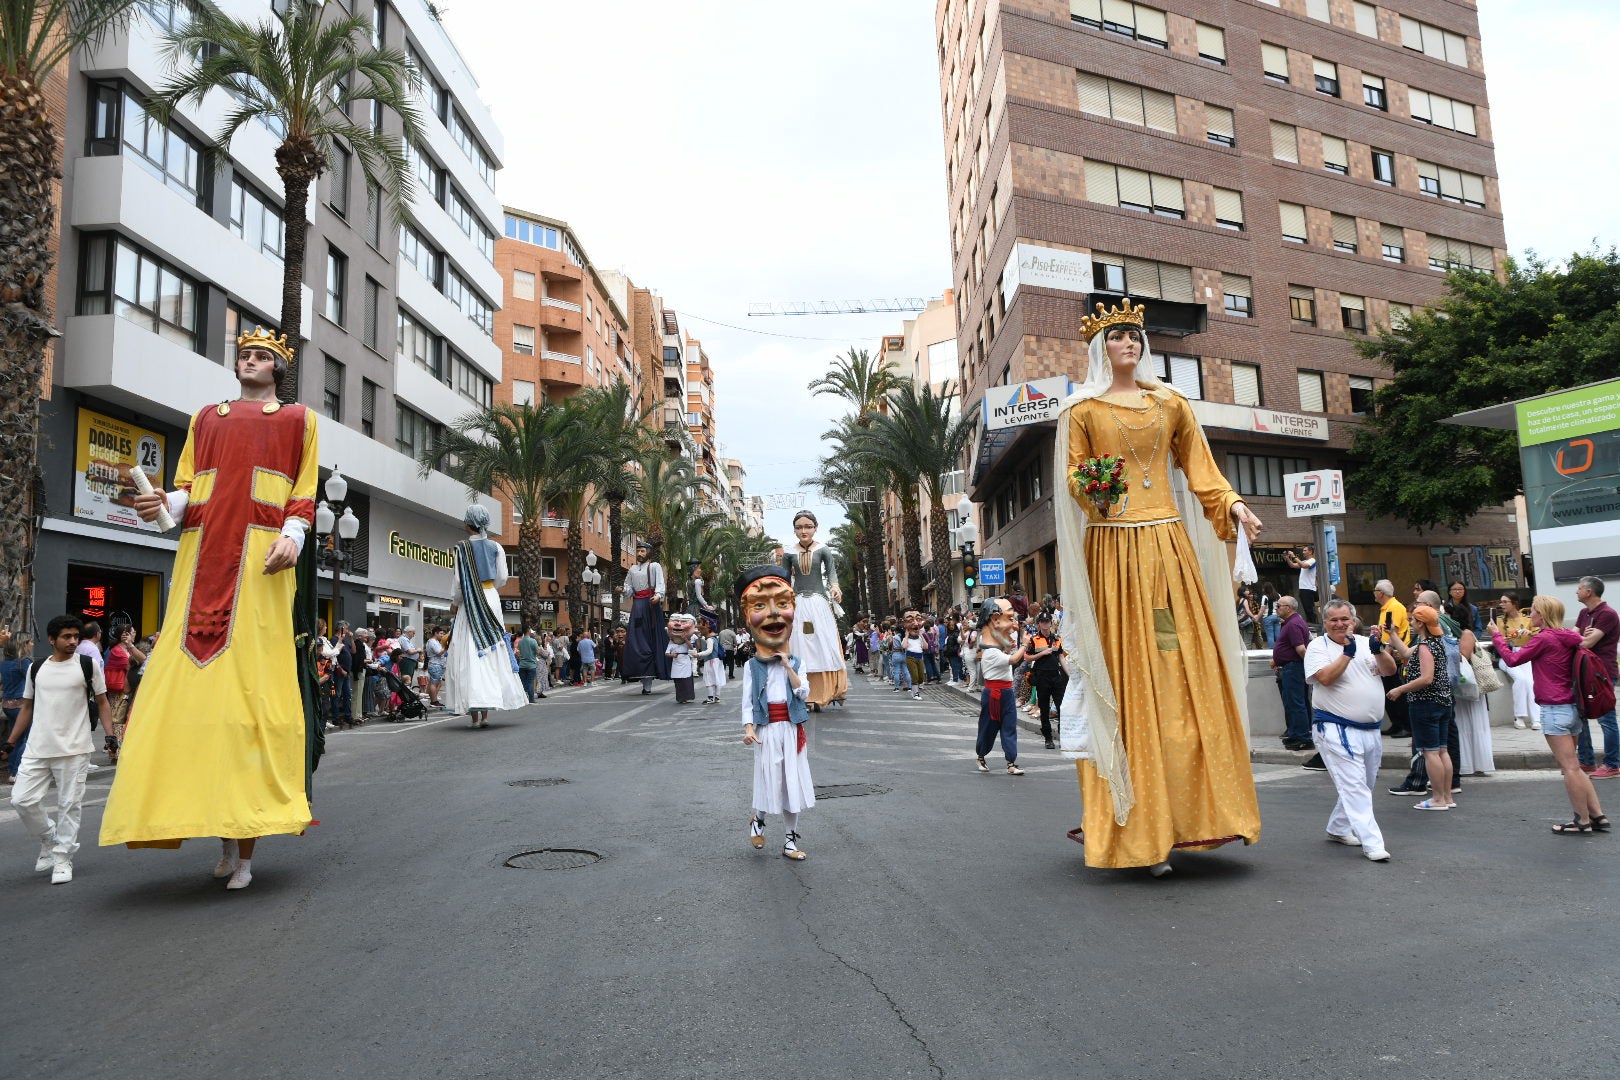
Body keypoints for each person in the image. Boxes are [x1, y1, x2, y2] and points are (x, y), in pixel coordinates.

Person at [100, 327, 318, 891]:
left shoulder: (298, 420)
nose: (250, 360)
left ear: (278, 368)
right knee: (199, 708)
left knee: (249, 703)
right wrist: (159, 503)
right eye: (244, 353)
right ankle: (223, 841)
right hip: (200, 561)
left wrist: (293, 534)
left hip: (259, 563)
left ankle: (245, 854)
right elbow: (187, 489)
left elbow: (302, 490)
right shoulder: (206, 417)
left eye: (262, 356)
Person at [1054, 299, 1263, 875]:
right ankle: (1139, 826)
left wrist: (1236, 505)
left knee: (1174, 658)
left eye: (1136, 336)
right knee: (1125, 673)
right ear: (1102, 348)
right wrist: (1096, 490)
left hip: (1167, 548)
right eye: (1119, 336)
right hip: (1113, 551)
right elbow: (1075, 477)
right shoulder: (1082, 410)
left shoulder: (1172, 403)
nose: (1130, 344)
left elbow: (1203, 469)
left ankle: (1192, 816)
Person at [5, 615, 115, 884]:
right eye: (66, 637)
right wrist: (10, 742)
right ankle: (49, 836)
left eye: (76, 636)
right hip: (37, 746)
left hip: (74, 748)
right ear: (52, 639)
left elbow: (102, 702)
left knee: (69, 805)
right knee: (21, 800)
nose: (73, 641)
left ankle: (63, 857)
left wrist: (110, 736)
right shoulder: (37, 668)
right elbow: (27, 706)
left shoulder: (87, 665)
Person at [1492, 595, 1606, 834]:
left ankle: (1581, 821)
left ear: (1542, 615)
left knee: (1570, 769)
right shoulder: (1570, 636)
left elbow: (1513, 659)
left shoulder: (1544, 638)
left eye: (1532, 612)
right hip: (1574, 708)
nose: (1529, 615)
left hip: (1554, 709)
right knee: (1574, 765)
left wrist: (1496, 637)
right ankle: (1597, 814)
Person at [1305, 599, 1398, 862]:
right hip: (1335, 727)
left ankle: (1338, 827)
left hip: (1370, 730)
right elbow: (1324, 678)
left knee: (1364, 785)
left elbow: (1389, 670)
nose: (1339, 624)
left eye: (1344, 619)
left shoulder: (1367, 643)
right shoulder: (1318, 646)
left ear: (1353, 620)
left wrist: (1379, 650)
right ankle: (1372, 843)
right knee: (1355, 787)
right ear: (1324, 623)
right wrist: (1347, 653)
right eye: (1333, 620)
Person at [738, 565, 815, 860]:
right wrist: (748, 728)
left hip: (793, 730)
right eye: (760, 605)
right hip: (767, 730)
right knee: (769, 780)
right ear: (748, 617)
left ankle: (790, 843)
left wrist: (787, 666)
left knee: (791, 785)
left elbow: (803, 692)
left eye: (782, 604)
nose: (773, 613)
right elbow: (747, 699)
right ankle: (757, 819)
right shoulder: (751, 666)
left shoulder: (796, 662)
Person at [444, 505, 527, 728]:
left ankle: (473, 714)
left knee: (469, 650)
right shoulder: (496, 546)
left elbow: (459, 583)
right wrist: (488, 586)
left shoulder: (460, 549)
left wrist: (455, 602)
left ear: (467, 523)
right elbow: (502, 577)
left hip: (470, 601)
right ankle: (486, 715)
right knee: (492, 647)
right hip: (490, 596)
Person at [1383, 602, 1457, 811]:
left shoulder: (1425, 647)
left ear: (1422, 623)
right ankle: (1447, 797)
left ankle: (1438, 799)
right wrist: (1392, 635)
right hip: (1442, 702)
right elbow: (1406, 654)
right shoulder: (1436, 642)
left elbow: (1426, 679)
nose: (1411, 623)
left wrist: (1400, 689)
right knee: (1442, 751)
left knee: (1430, 752)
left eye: (1413, 620)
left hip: (1426, 704)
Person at [780, 510, 848, 708]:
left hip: (819, 603)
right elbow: (784, 581)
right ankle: (804, 694)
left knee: (824, 646)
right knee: (799, 646)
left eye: (808, 526)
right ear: (794, 530)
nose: (804, 530)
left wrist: (835, 588)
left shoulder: (824, 550)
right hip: (797, 603)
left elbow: (832, 574)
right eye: (799, 527)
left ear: (815, 528)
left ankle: (825, 692)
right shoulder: (789, 553)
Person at [973, 597, 1029, 775]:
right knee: (988, 727)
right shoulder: (990, 653)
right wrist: (1025, 645)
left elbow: (1008, 655)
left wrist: (1013, 644)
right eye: (1010, 619)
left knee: (1009, 727)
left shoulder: (994, 650)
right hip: (994, 694)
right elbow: (1013, 659)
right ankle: (981, 756)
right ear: (995, 620)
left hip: (1006, 692)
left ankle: (1011, 763)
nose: (1013, 625)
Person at [1574, 576, 1619, 779]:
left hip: (1602, 673)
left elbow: (1586, 644)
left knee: (1606, 719)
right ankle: (1587, 761)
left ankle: (1612, 764)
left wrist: (1583, 637)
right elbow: (1572, 637)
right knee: (1580, 716)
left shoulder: (1608, 614)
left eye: (1579, 588)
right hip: (1584, 671)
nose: (1577, 591)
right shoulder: (1584, 613)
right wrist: (1583, 635)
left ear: (1589, 591)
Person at [619, 540, 670, 693]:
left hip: (650, 606)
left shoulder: (654, 566)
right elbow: (628, 589)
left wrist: (658, 596)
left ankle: (649, 680)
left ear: (648, 552)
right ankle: (641, 676)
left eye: (642, 551)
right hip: (637, 606)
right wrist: (622, 590)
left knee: (649, 639)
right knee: (636, 640)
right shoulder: (632, 569)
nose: (639, 554)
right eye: (638, 551)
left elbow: (660, 584)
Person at [1493, 594, 1541, 731]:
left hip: (1525, 654)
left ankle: (1536, 718)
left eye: (1505, 602)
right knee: (1520, 679)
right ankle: (1519, 716)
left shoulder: (1527, 619)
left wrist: (1529, 633)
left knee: (1530, 682)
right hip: (1507, 655)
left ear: (1514, 603)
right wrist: (1504, 640)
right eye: (1500, 602)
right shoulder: (1501, 620)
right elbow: (1497, 640)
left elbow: (1540, 635)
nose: (1501, 604)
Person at [1373, 579, 1412, 740]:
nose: (1374, 593)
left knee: (1397, 691)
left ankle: (1405, 725)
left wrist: (1385, 657)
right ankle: (1397, 723)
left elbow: (1391, 632)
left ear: (1380, 593)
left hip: (1394, 655)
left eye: (1375, 590)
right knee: (1389, 692)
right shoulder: (1386, 608)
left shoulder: (1395, 607)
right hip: (1388, 654)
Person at [1272, 596, 1313, 750]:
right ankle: (1296, 734)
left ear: (1288, 608)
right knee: (1293, 702)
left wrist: (1309, 666)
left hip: (1294, 668)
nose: (1276, 608)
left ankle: (1303, 738)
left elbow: (1301, 649)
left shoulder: (1293, 624)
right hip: (1291, 667)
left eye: (1279, 606)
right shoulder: (1291, 623)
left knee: (1296, 702)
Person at [102, 624, 146, 764]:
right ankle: (116, 753)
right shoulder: (118, 651)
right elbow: (140, 661)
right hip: (119, 693)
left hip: (125, 691)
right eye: (132, 632)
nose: (134, 634)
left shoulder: (126, 649)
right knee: (118, 722)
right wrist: (131, 646)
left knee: (121, 722)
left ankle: (119, 751)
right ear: (125, 634)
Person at [1027, 611, 1067, 750]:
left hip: (1056, 676)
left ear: (1051, 623)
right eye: (1042, 622)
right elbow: (1027, 657)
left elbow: (1061, 657)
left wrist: (1069, 675)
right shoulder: (1034, 640)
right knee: (1044, 709)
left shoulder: (1057, 639)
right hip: (1042, 677)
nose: (1045, 624)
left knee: (1061, 707)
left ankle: (1063, 737)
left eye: (1047, 621)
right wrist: (1042, 653)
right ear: (1039, 624)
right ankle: (1048, 738)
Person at [1, 639, 32, 786]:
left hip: (7, 704)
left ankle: (12, 771)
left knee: (13, 739)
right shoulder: (23, 663)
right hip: (21, 705)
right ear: (23, 645)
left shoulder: (5, 663)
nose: (32, 645)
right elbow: (34, 680)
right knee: (24, 740)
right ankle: (16, 772)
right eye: (30, 642)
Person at [665, 613, 698, 704]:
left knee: (686, 680)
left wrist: (686, 639)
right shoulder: (671, 643)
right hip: (676, 661)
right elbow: (667, 653)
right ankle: (680, 698)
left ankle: (687, 697)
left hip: (685, 660)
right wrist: (673, 655)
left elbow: (691, 648)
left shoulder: (686, 641)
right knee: (678, 681)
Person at [1284, 545, 1318, 623]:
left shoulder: (1312, 560)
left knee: (1309, 609)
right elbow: (1293, 565)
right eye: (1303, 550)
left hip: (1308, 588)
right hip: (1304, 589)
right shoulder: (1305, 561)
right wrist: (1287, 558)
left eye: (1305, 550)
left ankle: (1314, 624)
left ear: (1310, 552)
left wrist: (1294, 556)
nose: (1303, 552)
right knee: (1306, 609)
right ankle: (1311, 624)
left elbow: (1304, 566)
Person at [697, 620, 726, 704]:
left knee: (708, 679)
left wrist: (698, 654)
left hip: (710, 661)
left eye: (701, 629)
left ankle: (710, 698)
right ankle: (717, 697)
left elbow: (709, 651)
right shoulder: (715, 638)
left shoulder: (710, 639)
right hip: (717, 661)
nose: (700, 631)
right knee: (717, 678)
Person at [900, 611, 926, 700]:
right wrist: (906, 636)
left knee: (921, 677)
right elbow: (903, 646)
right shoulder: (905, 638)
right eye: (911, 620)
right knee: (914, 676)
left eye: (918, 619)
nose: (915, 623)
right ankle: (916, 694)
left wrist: (921, 636)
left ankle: (916, 691)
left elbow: (926, 647)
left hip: (920, 657)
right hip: (910, 657)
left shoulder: (919, 638)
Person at [424, 627, 448, 707]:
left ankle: (434, 700)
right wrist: (446, 646)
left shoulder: (435, 642)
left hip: (437, 665)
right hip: (435, 665)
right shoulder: (432, 642)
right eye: (441, 633)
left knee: (435, 683)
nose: (442, 635)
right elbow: (439, 653)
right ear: (435, 633)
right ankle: (434, 701)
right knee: (434, 683)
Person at [516, 628, 541, 702]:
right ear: (529, 631)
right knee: (530, 682)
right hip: (531, 664)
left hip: (522, 664)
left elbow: (518, 652)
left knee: (523, 681)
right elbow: (538, 652)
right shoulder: (533, 641)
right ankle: (531, 699)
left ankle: (523, 699)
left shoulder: (520, 641)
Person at [1260, 581, 1282, 648]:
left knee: (1270, 635)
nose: (1262, 589)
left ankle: (1272, 651)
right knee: (1278, 634)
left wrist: (1257, 618)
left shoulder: (1265, 597)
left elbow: (1262, 609)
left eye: (1263, 588)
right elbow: (1280, 607)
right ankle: (1279, 649)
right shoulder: (1279, 595)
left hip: (1268, 617)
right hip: (1277, 616)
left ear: (1265, 588)